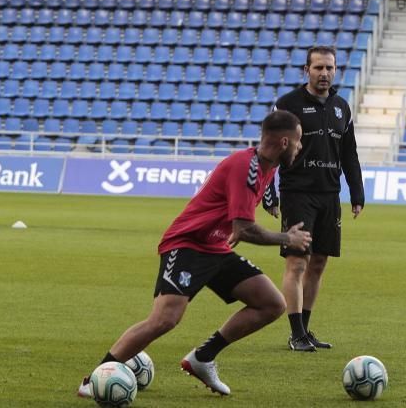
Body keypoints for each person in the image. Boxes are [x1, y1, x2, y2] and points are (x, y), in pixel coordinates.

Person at [77, 110, 311, 398]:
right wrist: (287, 238)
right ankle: (95, 379)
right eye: (299, 141)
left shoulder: (268, 166)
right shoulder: (245, 167)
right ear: (285, 142)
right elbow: (245, 229)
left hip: (216, 247)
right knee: (164, 319)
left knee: (272, 304)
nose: (301, 147)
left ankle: (203, 357)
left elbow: (239, 226)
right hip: (187, 244)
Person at [262, 46, 365, 352]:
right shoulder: (287, 104)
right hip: (297, 194)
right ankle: (295, 334)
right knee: (297, 263)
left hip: (329, 195)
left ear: (336, 71)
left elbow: (349, 153)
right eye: (318, 68)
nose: (324, 74)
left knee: (318, 263)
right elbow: (269, 148)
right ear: (306, 70)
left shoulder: (341, 108)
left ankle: (305, 330)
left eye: (329, 68)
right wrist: (269, 192)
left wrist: (357, 193)